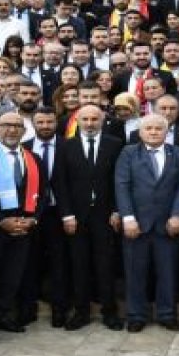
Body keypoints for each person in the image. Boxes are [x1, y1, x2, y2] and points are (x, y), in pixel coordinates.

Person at [114, 113, 179, 332]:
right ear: (140, 132)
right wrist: (128, 218)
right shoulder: (128, 153)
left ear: (166, 132)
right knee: (135, 272)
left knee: (168, 272)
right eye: (148, 128)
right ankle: (136, 315)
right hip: (136, 225)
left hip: (168, 224)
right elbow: (122, 185)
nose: (153, 132)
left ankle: (167, 314)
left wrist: (178, 215)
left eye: (158, 129)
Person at [50, 105, 125, 330]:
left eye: (95, 119)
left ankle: (109, 312)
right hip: (76, 216)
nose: (90, 123)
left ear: (102, 120)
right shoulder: (65, 146)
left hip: (106, 216)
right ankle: (81, 312)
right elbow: (59, 182)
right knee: (79, 264)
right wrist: (66, 215)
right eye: (86, 119)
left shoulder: (115, 144)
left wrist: (117, 210)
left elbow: (119, 181)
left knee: (105, 265)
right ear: (78, 121)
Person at [0, 112, 44, 337]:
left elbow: (43, 192)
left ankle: (3, 314)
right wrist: (2, 219)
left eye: (17, 126)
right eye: (6, 125)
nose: (12, 130)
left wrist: (32, 219)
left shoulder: (34, 159)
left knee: (12, 275)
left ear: (24, 131)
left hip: (24, 226)